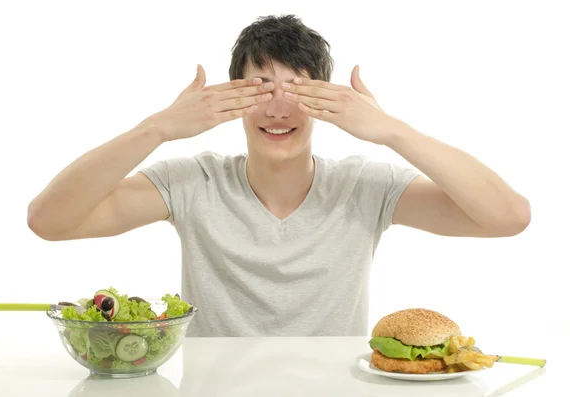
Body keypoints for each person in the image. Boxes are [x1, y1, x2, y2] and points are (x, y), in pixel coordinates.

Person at [26, 15, 531, 337]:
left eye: (297, 87)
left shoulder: (364, 188)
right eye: (261, 86)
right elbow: (49, 220)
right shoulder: (192, 182)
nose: (279, 106)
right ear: (234, 95)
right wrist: (157, 128)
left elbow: (508, 217)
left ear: (329, 100)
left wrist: (392, 131)